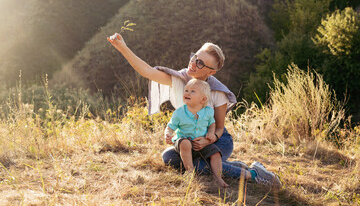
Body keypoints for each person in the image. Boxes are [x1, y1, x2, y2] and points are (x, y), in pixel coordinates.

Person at [107, 33, 281, 188]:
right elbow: (147, 71)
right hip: (189, 140)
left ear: (211, 72)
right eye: (194, 57)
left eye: (200, 63)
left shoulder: (217, 91)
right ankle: (239, 166)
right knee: (169, 158)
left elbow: (219, 128)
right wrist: (123, 47)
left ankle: (254, 175)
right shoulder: (181, 79)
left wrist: (207, 140)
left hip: (217, 140)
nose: (192, 64)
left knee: (198, 166)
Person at [165, 78, 228, 187]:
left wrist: (211, 133)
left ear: (203, 99)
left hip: (201, 143)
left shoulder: (208, 111)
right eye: (186, 90)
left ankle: (218, 178)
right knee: (185, 143)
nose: (187, 93)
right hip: (183, 142)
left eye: (192, 91)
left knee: (216, 153)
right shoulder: (179, 112)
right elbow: (170, 126)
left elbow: (212, 124)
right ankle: (190, 173)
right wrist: (168, 134)